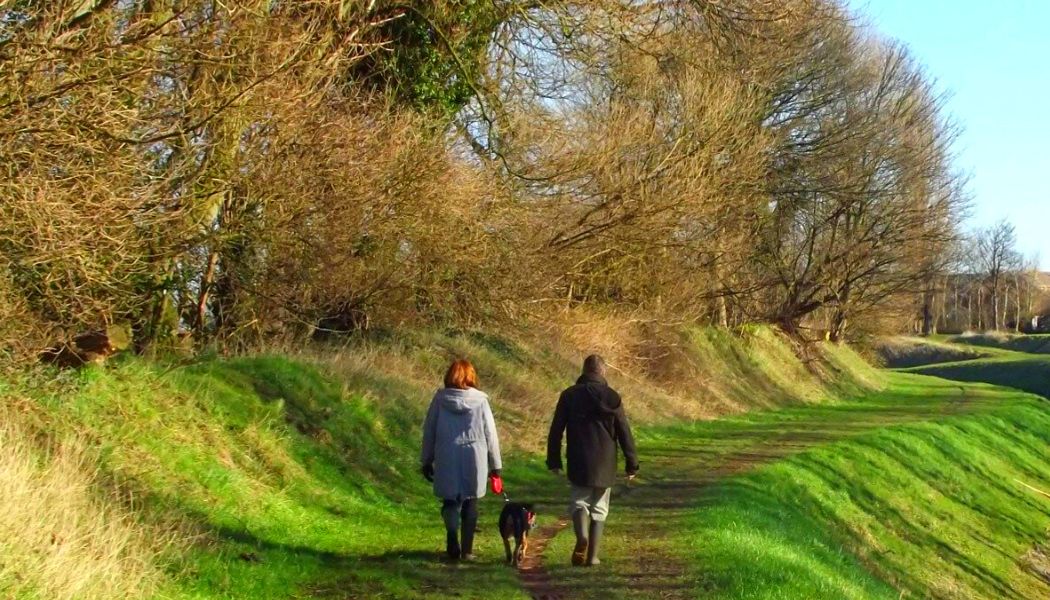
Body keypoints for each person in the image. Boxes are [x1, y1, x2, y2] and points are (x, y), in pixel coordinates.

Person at [547, 354, 639, 567]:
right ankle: (593, 557)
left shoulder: (569, 396)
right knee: (600, 507)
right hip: (605, 461)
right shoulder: (612, 397)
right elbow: (624, 431)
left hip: (579, 458)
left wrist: (554, 460)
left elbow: (556, 430)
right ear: (603, 371)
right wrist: (631, 463)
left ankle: (582, 537)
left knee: (579, 501)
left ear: (583, 370)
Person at [421, 359, 502, 561]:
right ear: (471, 376)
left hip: (446, 453)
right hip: (474, 455)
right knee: (471, 501)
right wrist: (496, 465)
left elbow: (429, 430)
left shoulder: (440, 399)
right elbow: (490, 433)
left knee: (450, 500)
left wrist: (426, 459)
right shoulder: (481, 401)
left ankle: (451, 536)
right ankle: (467, 551)